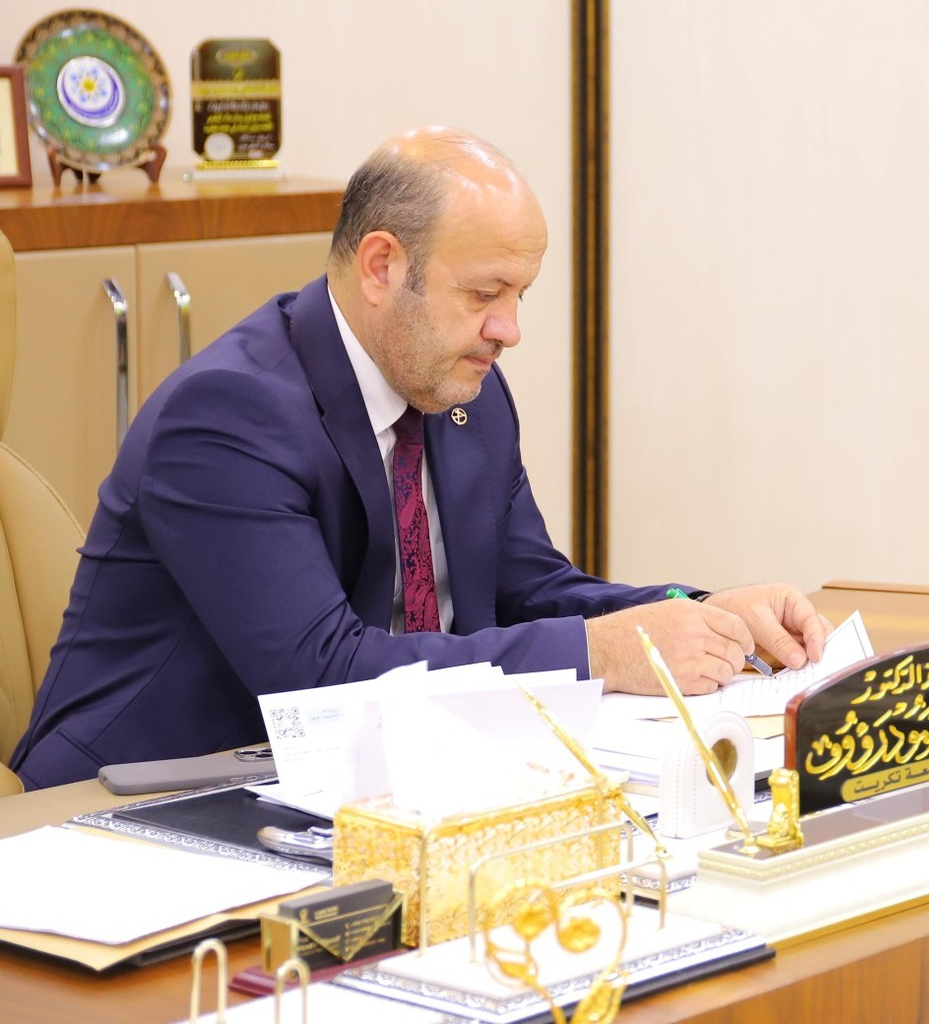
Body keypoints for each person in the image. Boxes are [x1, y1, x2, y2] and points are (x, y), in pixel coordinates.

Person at [12, 128, 826, 789]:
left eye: (520, 296)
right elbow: (321, 676)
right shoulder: (228, 414)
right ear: (381, 267)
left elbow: (528, 591)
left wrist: (702, 614)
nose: (509, 330)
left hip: (358, 788)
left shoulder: (461, 389)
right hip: (137, 805)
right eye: (484, 294)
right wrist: (603, 653)